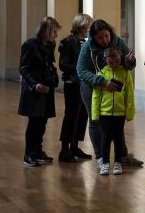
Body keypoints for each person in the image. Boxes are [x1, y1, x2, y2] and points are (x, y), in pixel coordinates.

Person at [76, 20, 142, 170]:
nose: (104, 40)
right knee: (95, 121)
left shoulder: (117, 41)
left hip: (114, 86)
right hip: (91, 84)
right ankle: (101, 158)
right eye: (100, 38)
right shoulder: (87, 46)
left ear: (110, 32)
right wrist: (101, 81)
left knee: (117, 122)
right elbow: (81, 70)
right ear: (93, 37)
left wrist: (131, 61)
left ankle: (122, 157)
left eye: (106, 36)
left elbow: (127, 65)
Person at [18, 17, 61, 167]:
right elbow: (23, 68)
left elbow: (50, 63)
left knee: (43, 121)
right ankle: (28, 154)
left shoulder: (51, 44)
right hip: (33, 89)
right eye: (54, 31)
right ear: (47, 30)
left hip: (46, 87)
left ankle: (37, 151)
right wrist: (35, 84)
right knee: (34, 122)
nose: (56, 35)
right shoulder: (29, 44)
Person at [91, 47, 135, 176]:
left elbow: (130, 94)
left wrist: (129, 112)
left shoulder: (125, 73)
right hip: (104, 113)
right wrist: (95, 113)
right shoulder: (101, 75)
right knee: (105, 137)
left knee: (118, 138)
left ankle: (117, 163)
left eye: (116, 61)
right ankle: (105, 163)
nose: (114, 65)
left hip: (120, 113)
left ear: (120, 58)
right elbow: (95, 96)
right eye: (111, 62)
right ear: (105, 60)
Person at [58, 13, 94, 162]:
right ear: (82, 26)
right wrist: (82, 68)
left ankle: (75, 147)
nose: (89, 28)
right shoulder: (67, 42)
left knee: (82, 117)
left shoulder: (87, 42)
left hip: (84, 84)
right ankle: (64, 150)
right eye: (88, 25)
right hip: (72, 84)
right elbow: (63, 65)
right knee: (71, 117)